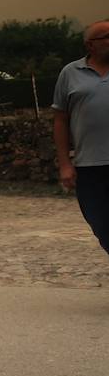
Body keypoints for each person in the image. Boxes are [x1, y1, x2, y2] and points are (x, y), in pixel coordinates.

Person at [52, 18, 109, 257]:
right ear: (90, 45)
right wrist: (65, 163)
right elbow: (60, 119)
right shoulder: (70, 73)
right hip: (89, 166)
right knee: (101, 224)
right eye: (106, 37)